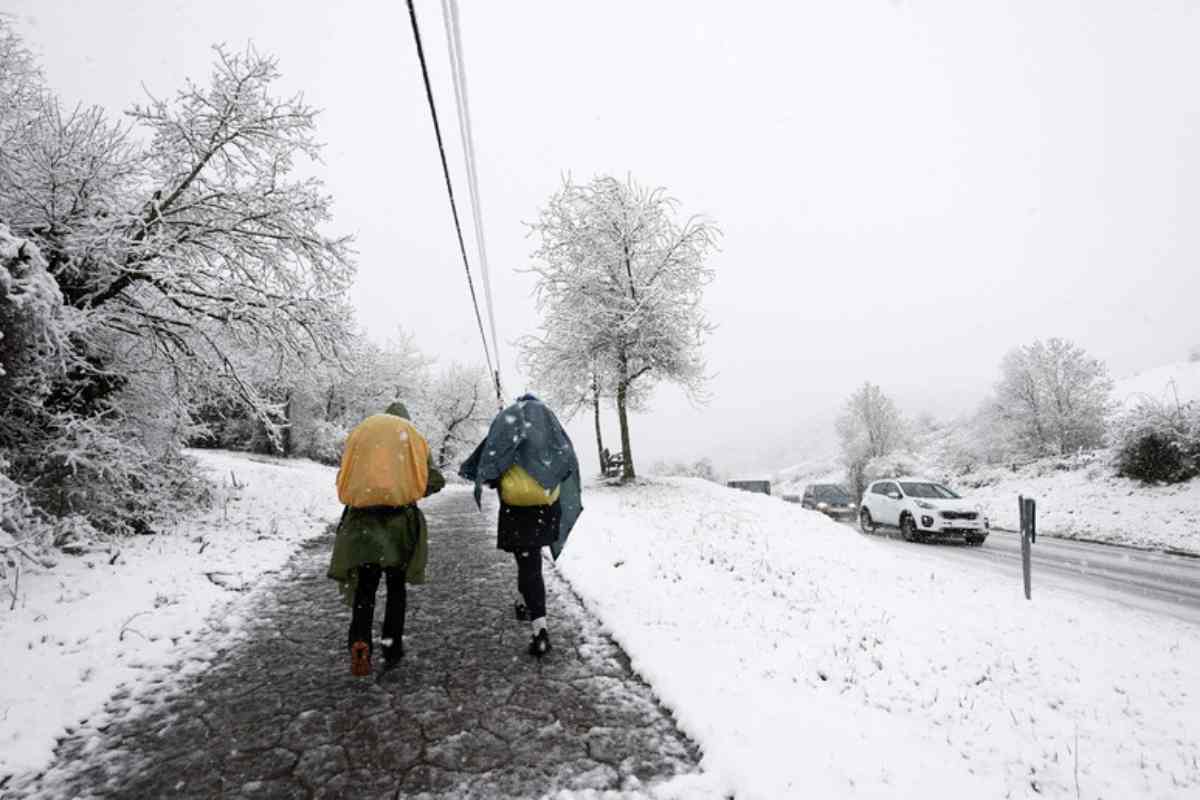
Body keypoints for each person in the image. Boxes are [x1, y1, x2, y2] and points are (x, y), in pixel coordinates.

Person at [459, 394, 582, 657]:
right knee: (529, 558)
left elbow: (486, 464)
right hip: (544, 507)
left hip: (516, 508)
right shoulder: (548, 422)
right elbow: (566, 460)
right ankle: (524, 604)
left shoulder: (507, 422)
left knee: (528, 562)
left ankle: (540, 628)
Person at [327, 401, 444, 676]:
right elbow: (436, 480)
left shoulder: (362, 434)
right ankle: (391, 645)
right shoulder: (412, 438)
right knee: (395, 588)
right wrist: (410, 488)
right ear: (406, 420)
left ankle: (360, 640)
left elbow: (344, 475)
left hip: (362, 525)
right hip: (399, 525)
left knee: (365, 588)